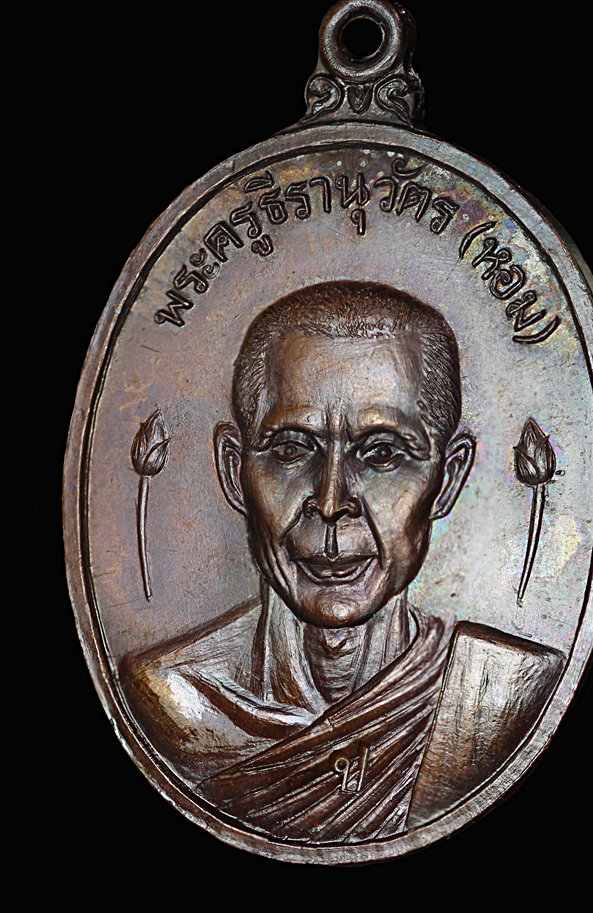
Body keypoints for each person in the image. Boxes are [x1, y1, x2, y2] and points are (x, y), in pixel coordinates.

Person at [120, 280, 564, 844]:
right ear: (235, 472)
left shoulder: (499, 695)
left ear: (447, 479)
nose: (331, 501)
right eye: (291, 449)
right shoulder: (170, 701)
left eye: (381, 453)